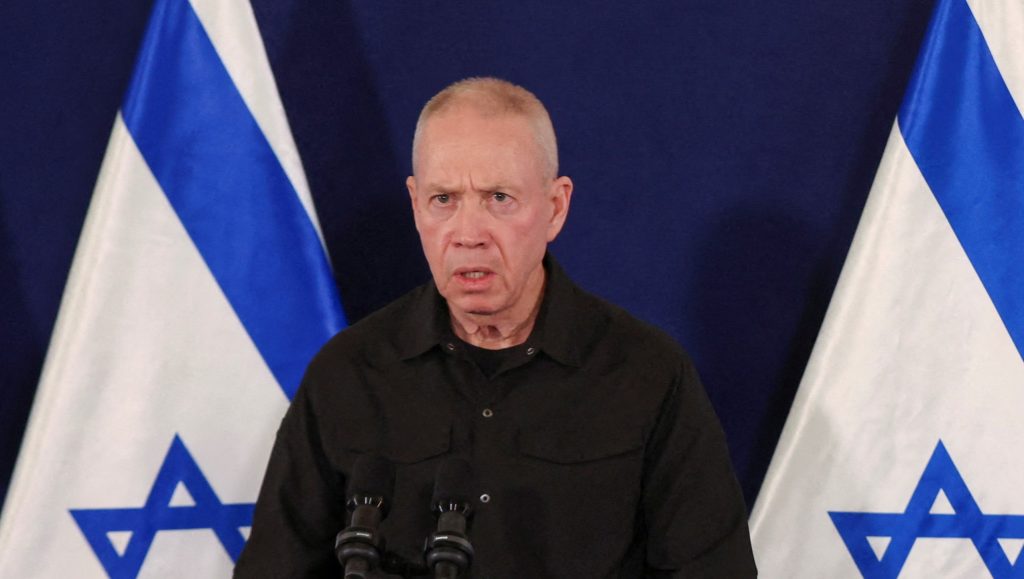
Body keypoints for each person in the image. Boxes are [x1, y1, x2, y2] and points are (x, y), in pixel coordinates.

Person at [235, 77, 756, 578]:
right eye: (444, 200)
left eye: (498, 198)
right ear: (415, 206)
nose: (468, 234)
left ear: (555, 208)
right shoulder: (349, 373)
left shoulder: (646, 375)